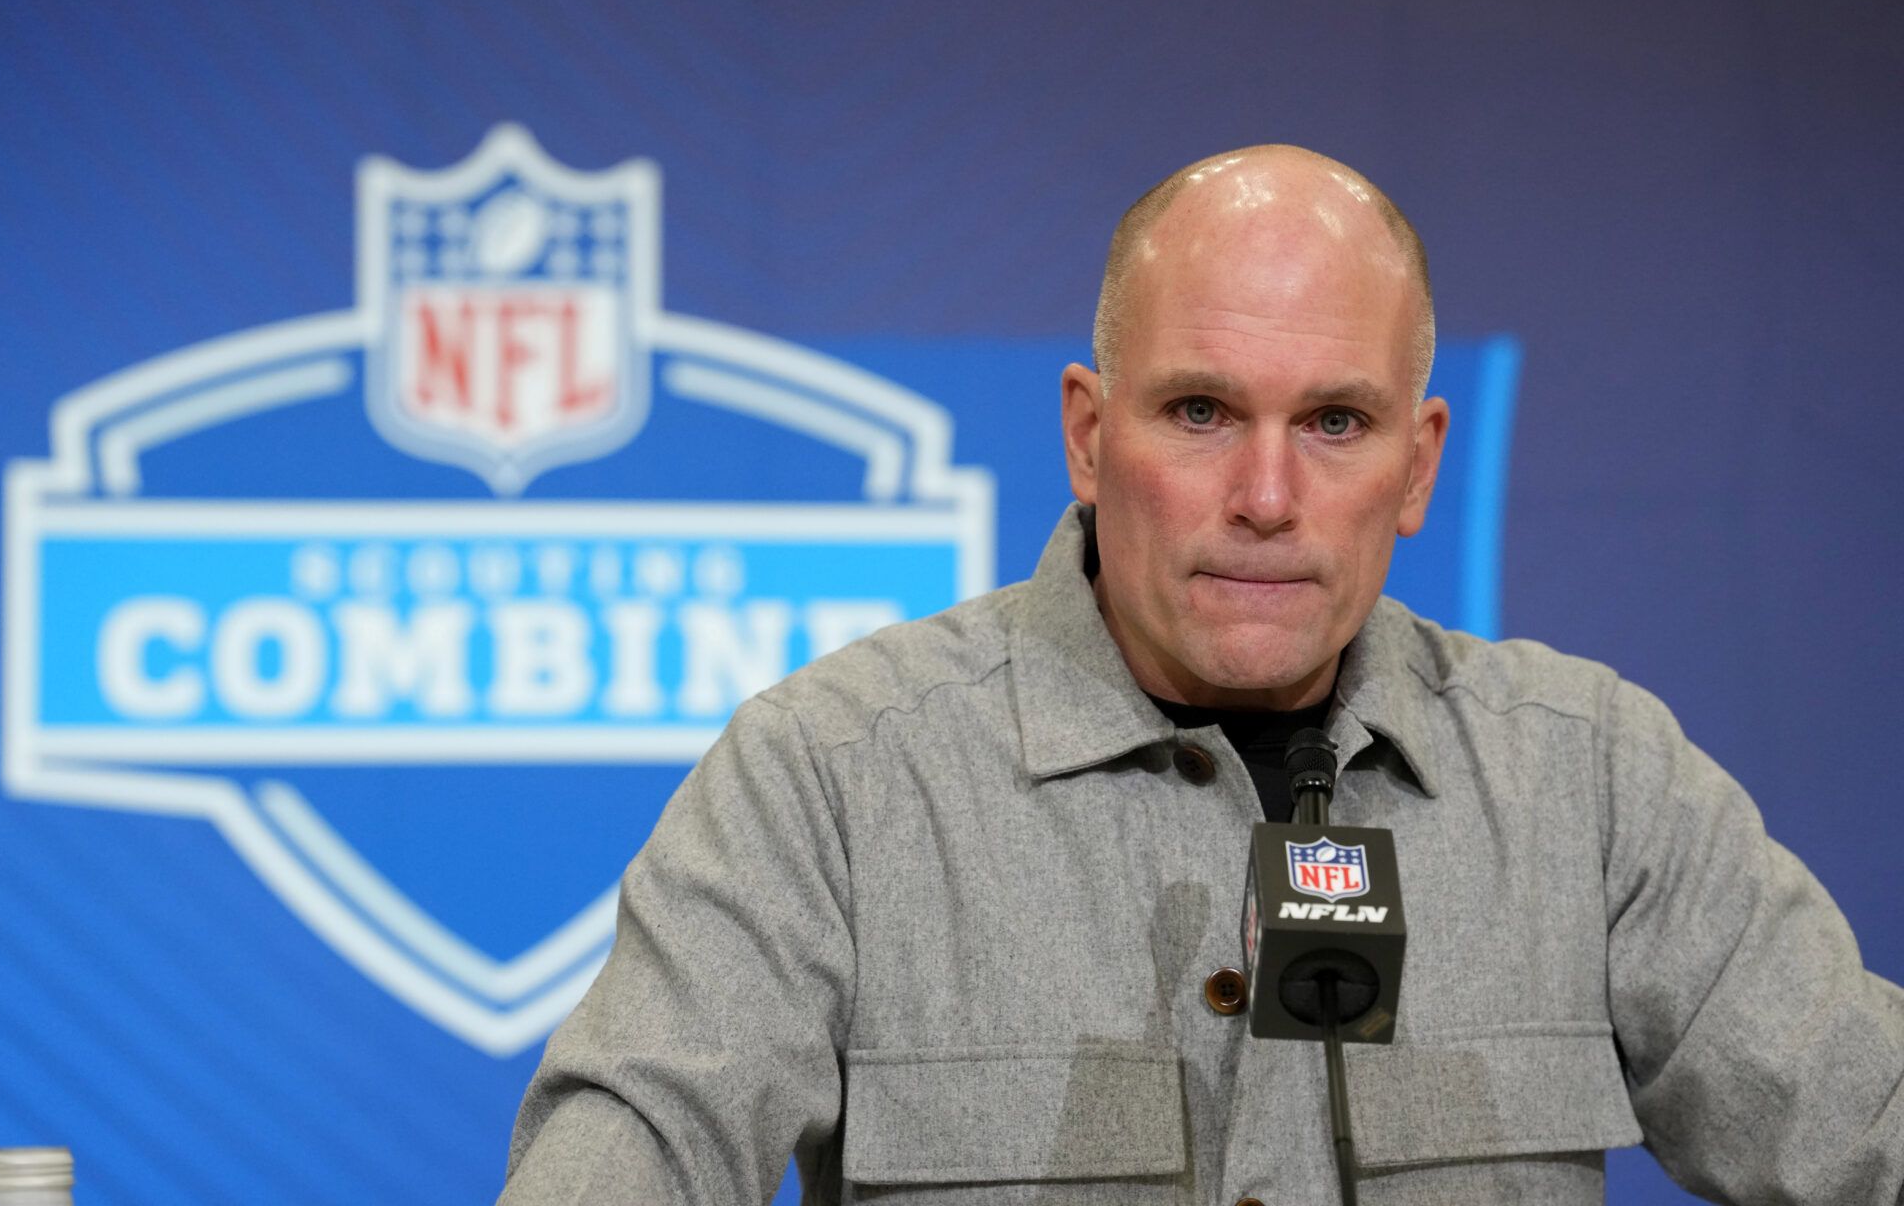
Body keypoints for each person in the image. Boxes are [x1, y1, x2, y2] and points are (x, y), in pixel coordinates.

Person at [501, 147, 1904, 1204]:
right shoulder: (833, 781)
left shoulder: (1592, 779)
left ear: (1417, 466)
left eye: (1337, 422)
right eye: (1201, 412)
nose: (1268, 494)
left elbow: (1865, 1125)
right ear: (1087, 434)